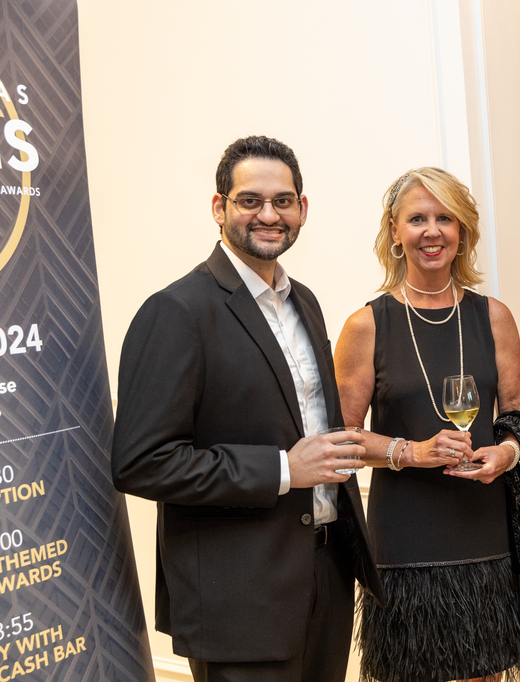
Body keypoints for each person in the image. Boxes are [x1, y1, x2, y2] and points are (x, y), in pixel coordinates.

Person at [111, 135, 383, 682]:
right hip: (237, 600)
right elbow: (141, 462)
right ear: (219, 207)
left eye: (283, 201)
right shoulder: (176, 311)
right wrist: (283, 469)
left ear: (302, 209)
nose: (269, 215)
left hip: (325, 576)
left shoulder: (304, 301)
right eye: (250, 200)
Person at [333, 167, 520, 682]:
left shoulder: (493, 316)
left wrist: (507, 453)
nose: (432, 231)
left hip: (483, 528)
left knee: (484, 674)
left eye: (445, 219)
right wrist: (412, 452)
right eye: (417, 219)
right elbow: (341, 439)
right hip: (405, 536)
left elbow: (518, 413)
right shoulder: (367, 325)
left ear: (462, 232)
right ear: (394, 231)